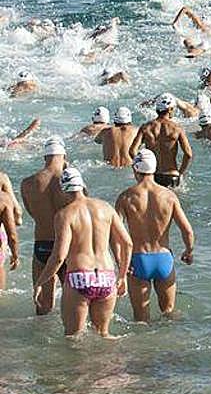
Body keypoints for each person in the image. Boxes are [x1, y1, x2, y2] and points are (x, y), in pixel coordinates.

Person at [37, 167, 133, 337]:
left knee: (73, 338)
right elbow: (127, 243)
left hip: (79, 277)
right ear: (82, 185)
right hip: (106, 277)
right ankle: (113, 364)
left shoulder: (64, 215)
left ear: (64, 190)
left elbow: (59, 256)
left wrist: (40, 282)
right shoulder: (106, 208)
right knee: (104, 335)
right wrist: (123, 276)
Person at [115, 149, 195, 321]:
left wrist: (121, 263)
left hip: (138, 259)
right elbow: (187, 230)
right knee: (169, 313)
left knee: (141, 320)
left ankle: (145, 349)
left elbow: (115, 234)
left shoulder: (126, 197)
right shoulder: (169, 196)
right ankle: (173, 347)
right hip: (164, 259)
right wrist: (189, 251)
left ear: (135, 169)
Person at [21, 137, 69, 314]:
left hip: (42, 246)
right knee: (73, 304)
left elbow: (32, 214)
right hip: (67, 247)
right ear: (64, 155)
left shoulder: (28, 183)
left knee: (42, 305)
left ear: (44, 158)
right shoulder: (72, 183)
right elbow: (82, 212)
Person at [131, 93, 193, 188]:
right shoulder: (177, 128)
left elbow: (132, 151)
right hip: (171, 175)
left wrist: (141, 169)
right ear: (170, 109)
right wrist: (180, 173)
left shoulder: (146, 128)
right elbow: (188, 154)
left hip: (152, 175)